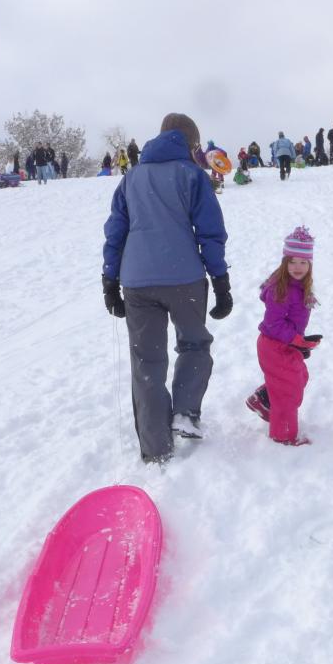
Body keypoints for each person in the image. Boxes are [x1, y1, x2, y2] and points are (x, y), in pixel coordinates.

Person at [101, 112, 230, 464]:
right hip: (184, 278)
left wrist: (109, 280)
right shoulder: (192, 175)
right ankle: (185, 413)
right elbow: (210, 232)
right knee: (194, 344)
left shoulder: (131, 178)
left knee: (147, 360)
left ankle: (156, 447)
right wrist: (220, 280)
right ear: (192, 144)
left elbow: (116, 231)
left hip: (138, 282)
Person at [245, 226, 320, 446]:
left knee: (299, 378)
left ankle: (263, 400)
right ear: (284, 263)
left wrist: (299, 343)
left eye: (303, 262)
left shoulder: (299, 286)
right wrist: (297, 341)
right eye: (292, 262)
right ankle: (283, 436)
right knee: (288, 393)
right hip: (274, 345)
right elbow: (273, 323)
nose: (298, 267)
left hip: (285, 344)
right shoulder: (282, 289)